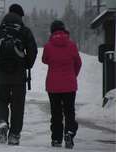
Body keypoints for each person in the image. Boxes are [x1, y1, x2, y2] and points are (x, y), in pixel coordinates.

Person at [0, 4, 37, 145]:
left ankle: (2, 122)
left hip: (1, 75)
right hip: (19, 76)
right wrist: (26, 64)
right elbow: (33, 51)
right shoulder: (24, 31)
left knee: (1, 100)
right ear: (20, 16)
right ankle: (14, 135)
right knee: (17, 105)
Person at [42, 20, 82, 149]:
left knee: (56, 113)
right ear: (64, 30)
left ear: (52, 31)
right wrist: (72, 75)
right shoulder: (72, 45)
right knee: (69, 111)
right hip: (69, 85)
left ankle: (56, 139)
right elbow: (78, 63)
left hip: (53, 85)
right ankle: (69, 132)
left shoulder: (48, 46)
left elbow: (45, 60)